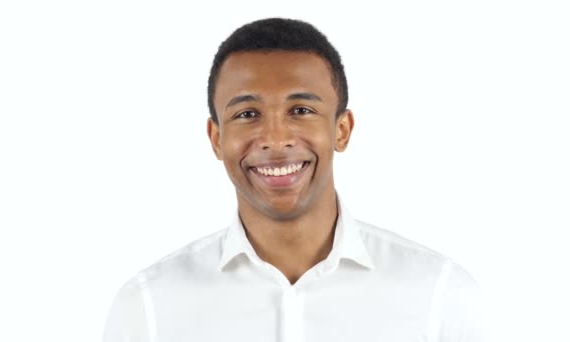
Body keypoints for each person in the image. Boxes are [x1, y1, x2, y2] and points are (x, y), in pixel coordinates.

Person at [103, 18, 485, 342]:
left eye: (300, 110)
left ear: (342, 130)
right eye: (247, 114)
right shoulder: (148, 307)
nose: (275, 138)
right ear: (216, 138)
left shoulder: (441, 295)